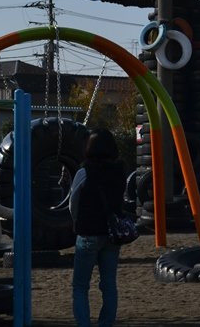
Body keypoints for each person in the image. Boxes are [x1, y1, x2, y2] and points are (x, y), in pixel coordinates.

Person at [69, 128, 126, 327]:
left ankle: (84, 323)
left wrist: (76, 223)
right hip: (111, 234)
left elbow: (73, 202)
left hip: (88, 232)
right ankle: (106, 323)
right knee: (108, 283)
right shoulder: (120, 171)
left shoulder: (84, 171)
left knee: (80, 286)